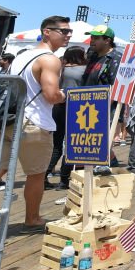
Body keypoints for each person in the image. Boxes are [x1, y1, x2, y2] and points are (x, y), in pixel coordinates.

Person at [0, 16, 70, 248]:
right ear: (47, 32)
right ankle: (32, 218)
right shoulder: (50, 59)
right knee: (36, 174)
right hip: (33, 123)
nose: (68, 35)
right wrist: (65, 96)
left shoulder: (23, 56)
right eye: (63, 31)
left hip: (7, 120)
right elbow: (51, 95)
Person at [82, 25, 123, 167]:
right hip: (86, 106)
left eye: (96, 38)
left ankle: (107, 168)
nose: (91, 40)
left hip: (103, 108)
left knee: (101, 144)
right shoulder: (93, 56)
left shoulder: (115, 58)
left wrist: (105, 107)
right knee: (90, 144)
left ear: (107, 40)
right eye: (91, 37)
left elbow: (115, 86)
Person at [48, 46, 87, 189]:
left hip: (58, 107)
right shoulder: (84, 70)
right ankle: (64, 178)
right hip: (76, 108)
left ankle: (45, 174)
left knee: (56, 143)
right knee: (71, 144)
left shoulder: (60, 69)